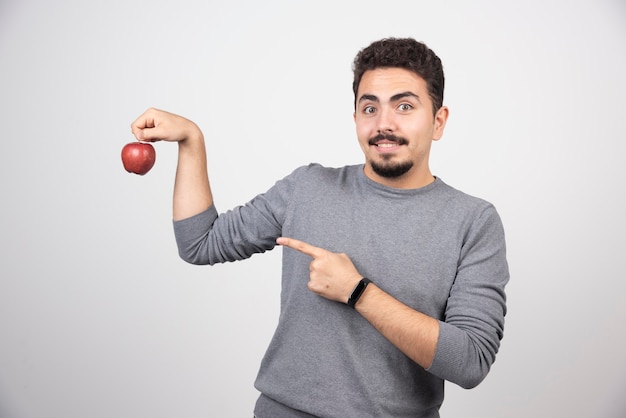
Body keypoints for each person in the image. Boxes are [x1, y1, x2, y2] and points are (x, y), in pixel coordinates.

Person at [131, 37, 509, 418]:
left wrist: (357, 291)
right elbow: (200, 243)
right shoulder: (307, 188)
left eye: (405, 106)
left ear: (438, 121)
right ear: (356, 117)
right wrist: (191, 140)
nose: (384, 124)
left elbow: (470, 361)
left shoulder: (473, 221)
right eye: (369, 108)